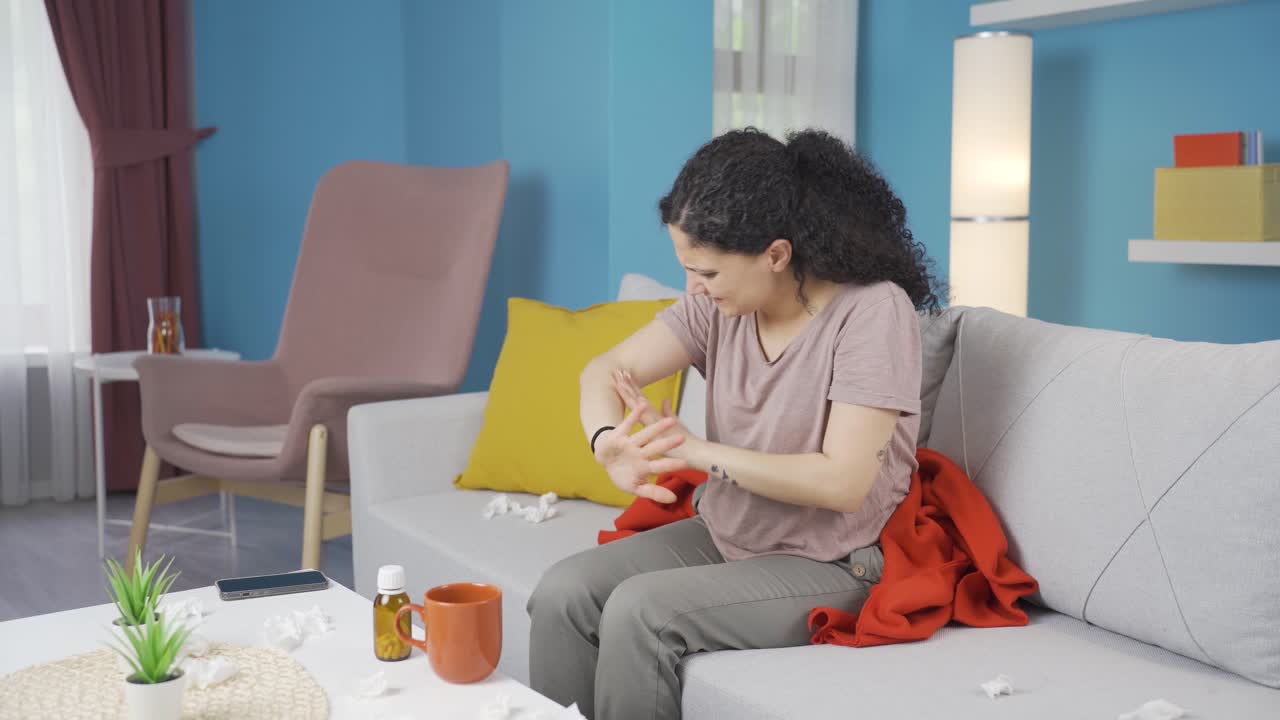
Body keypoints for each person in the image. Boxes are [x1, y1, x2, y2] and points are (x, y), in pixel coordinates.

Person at [527, 127, 944, 720]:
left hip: (834, 560)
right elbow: (604, 369)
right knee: (562, 593)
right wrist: (605, 441)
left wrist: (694, 453)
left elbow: (843, 482)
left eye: (708, 273)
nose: (693, 288)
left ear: (776, 254)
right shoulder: (717, 307)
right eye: (688, 269)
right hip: (728, 536)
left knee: (640, 613)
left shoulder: (873, 312)